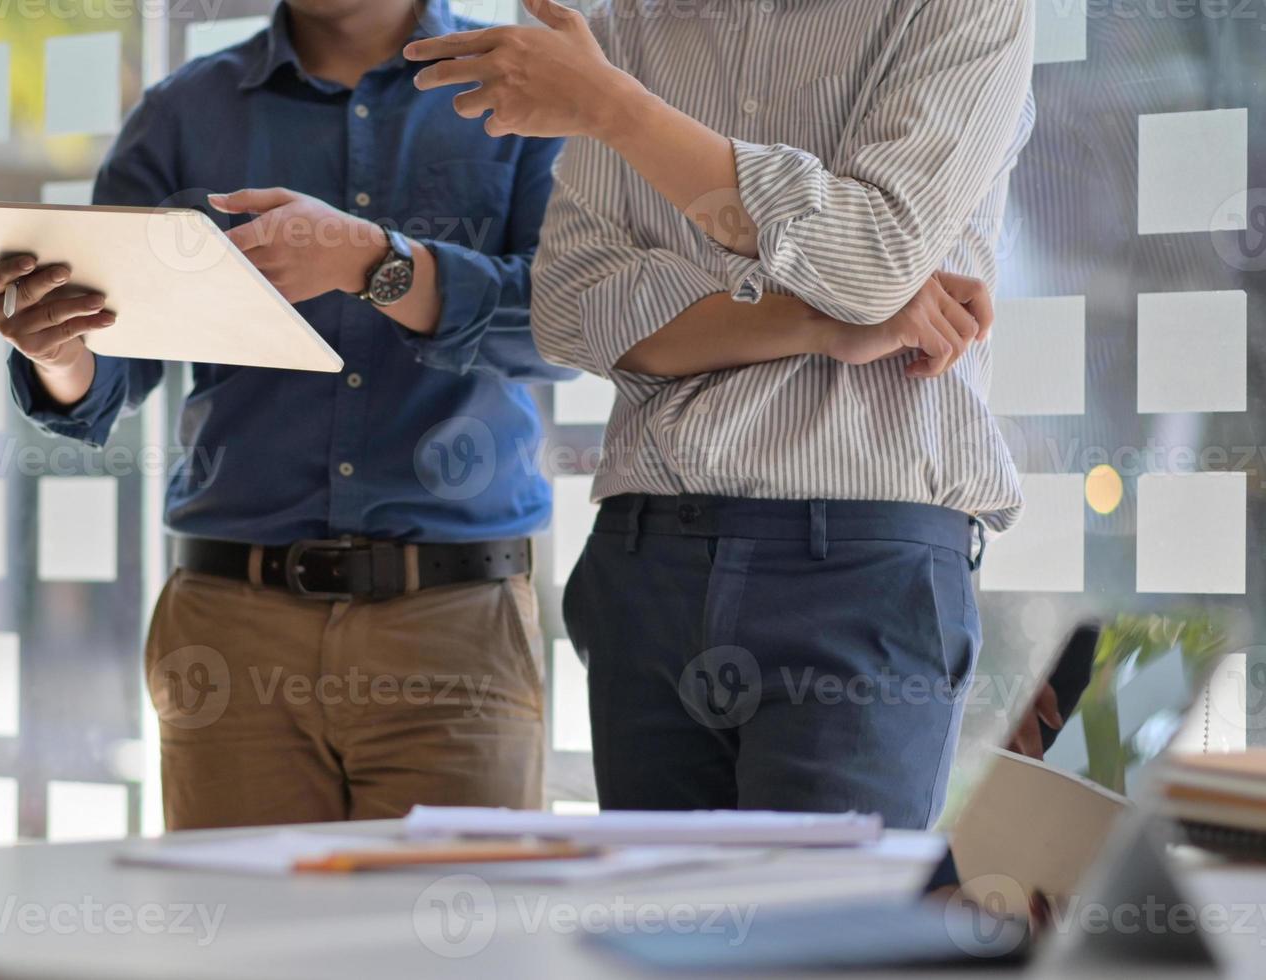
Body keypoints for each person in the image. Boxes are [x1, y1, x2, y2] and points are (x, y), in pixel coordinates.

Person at [406, 0, 1035, 828]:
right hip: (647, 553)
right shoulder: (626, 25)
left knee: (821, 946)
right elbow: (568, 306)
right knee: (657, 942)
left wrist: (617, 110)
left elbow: (872, 262)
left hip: (860, 564)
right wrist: (812, 321)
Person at [0, 0, 572, 830]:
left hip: (451, 625)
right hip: (230, 625)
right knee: (240, 945)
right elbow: (114, 363)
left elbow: (566, 329)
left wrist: (380, 264)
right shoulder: (184, 111)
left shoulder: (520, 90)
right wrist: (58, 352)